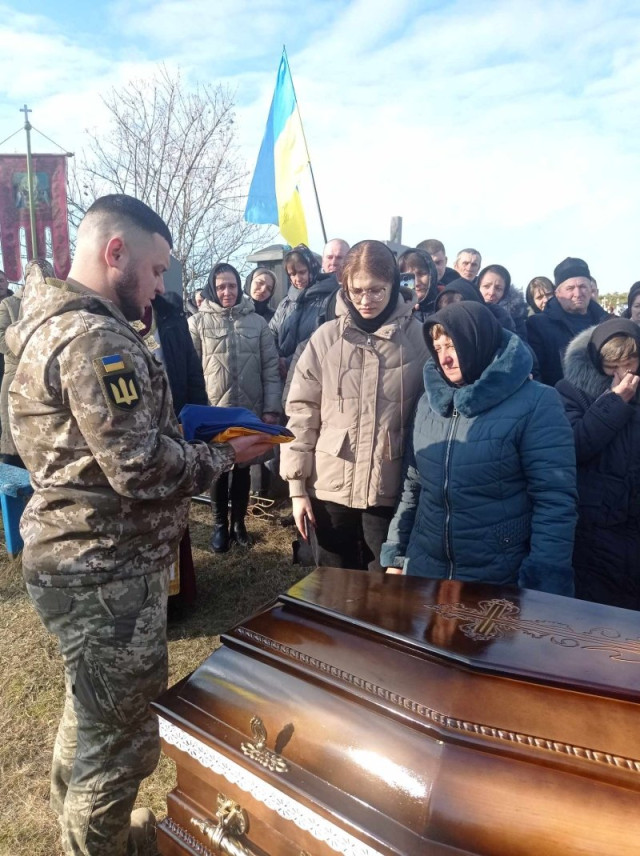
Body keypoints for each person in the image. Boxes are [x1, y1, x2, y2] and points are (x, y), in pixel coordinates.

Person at [7, 194, 272, 856]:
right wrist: (226, 456)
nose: (160, 287)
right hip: (107, 571)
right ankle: (96, 846)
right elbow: (138, 466)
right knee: (122, 742)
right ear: (114, 251)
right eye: (156, 270)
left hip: (80, 557)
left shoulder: (48, 324)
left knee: (92, 713)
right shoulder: (95, 340)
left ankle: (87, 833)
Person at [381, 301, 577, 594]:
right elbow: (413, 485)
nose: (445, 358)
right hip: (425, 570)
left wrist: (542, 583)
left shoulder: (537, 402)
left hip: (497, 576)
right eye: (438, 349)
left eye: (452, 345)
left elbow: (554, 500)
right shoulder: (429, 403)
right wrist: (396, 554)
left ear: (478, 341)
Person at [280, 239, 429, 572]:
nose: (366, 300)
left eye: (376, 290)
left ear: (393, 285)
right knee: (334, 583)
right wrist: (296, 488)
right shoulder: (326, 338)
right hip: (330, 483)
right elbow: (302, 412)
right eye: (357, 290)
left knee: (385, 585)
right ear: (344, 287)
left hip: (388, 486)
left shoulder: (418, 341)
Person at [189, 262, 281, 552]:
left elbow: (270, 369)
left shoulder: (258, 323)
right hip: (214, 411)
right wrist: (196, 413)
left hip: (249, 408)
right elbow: (190, 372)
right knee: (218, 469)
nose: (226, 292)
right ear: (212, 289)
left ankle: (239, 523)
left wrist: (271, 409)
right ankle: (219, 526)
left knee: (243, 468)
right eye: (220, 287)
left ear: (239, 287)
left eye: (231, 286)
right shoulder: (197, 324)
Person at [556, 319, 640, 609]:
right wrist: (614, 402)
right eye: (612, 366)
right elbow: (574, 447)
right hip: (596, 525)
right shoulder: (570, 391)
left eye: (630, 363)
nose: (623, 374)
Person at [0, 259, 53, 466]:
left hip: (44, 376)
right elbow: (1, 337)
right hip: (16, 375)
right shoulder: (9, 305)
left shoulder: (53, 303)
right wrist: (30, 349)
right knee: (13, 439)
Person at [527, 257, 609, 386]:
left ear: (590, 289)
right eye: (570, 288)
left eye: (583, 286)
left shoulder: (607, 323)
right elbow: (535, 373)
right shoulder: (538, 326)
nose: (578, 293)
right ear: (557, 293)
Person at [269, 243, 321, 378]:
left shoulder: (327, 300)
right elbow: (270, 334)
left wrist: (290, 361)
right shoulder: (285, 303)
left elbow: (321, 340)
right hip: (281, 374)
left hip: (310, 374)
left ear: (312, 269)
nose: (297, 279)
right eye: (292, 274)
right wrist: (277, 360)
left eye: (302, 272)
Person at [477, 264, 529, 340]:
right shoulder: (466, 310)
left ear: (504, 292)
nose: (491, 292)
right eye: (486, 286)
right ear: (478, 287)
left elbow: (521, 343)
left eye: (498, 288)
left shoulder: (516, 316)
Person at [397, 248, 439, 321]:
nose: (416, 282)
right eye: (408, 277)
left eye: (421, 274)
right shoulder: (390, 311)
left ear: (432, 274)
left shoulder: (445, 307)